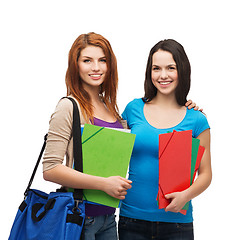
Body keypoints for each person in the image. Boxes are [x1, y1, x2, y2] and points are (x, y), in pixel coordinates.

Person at [42, 33, 199, 240]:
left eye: (102, 60)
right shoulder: (69, 106)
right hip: (80, 217)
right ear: (75, 65)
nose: (96, 67)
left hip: (109, 219)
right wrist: (104, 184)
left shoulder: (112, 109)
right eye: (87, 61)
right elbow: (50, 169)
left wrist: (185, 108)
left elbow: (141, 135)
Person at [118, 39, 212, 240]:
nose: (163, 75)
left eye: (171, 68)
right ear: (149, 72)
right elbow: (110, 151)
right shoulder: (132, 110)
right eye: (156, 68)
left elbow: (205, 174)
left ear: (182, 71)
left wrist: (186, 196)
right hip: (131, 220)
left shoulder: (197, 119)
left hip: (177, 224)